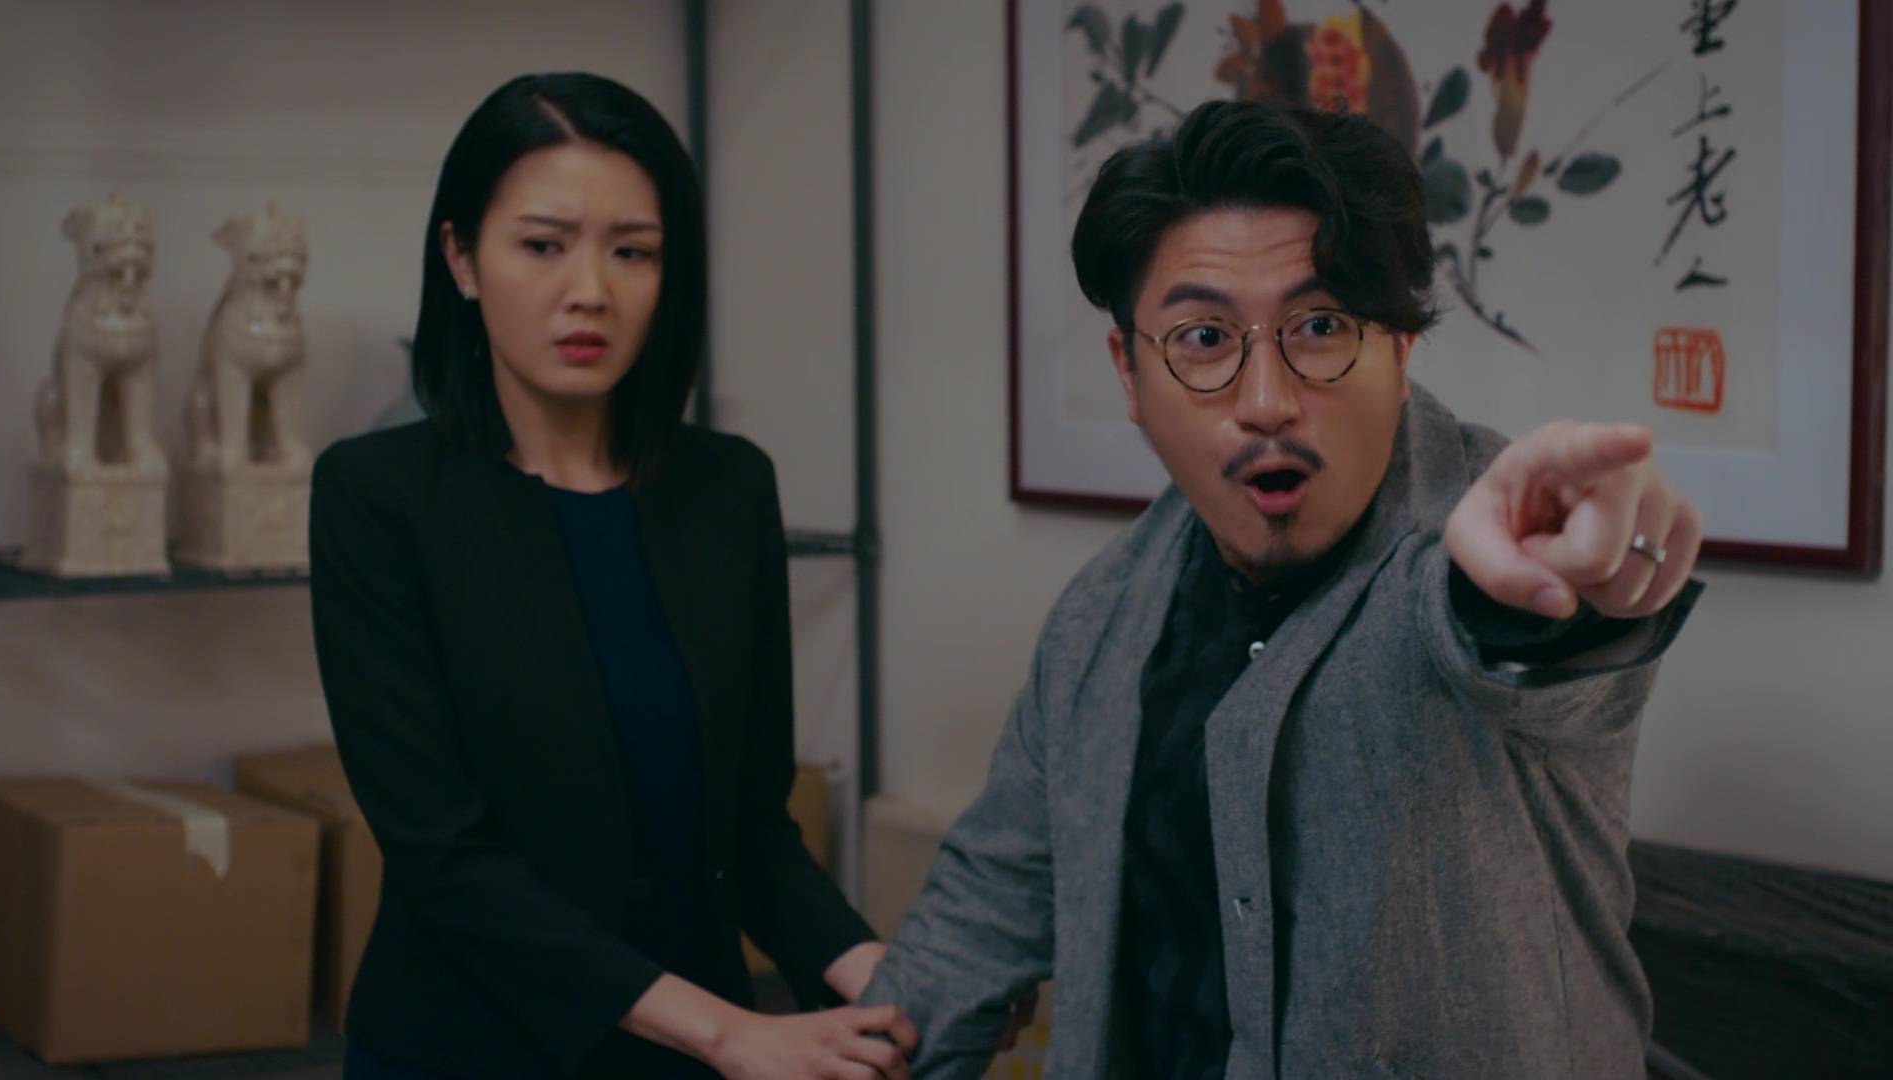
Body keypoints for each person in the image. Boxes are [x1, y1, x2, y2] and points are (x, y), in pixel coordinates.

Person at [860, 100, 1705, 1079]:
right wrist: (863, 1048)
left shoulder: (1478, 545)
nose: (1268, 402)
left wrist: (1570, 585)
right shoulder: (1101, 619)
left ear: (1400, 347)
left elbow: (1509, 636)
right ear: (1129, 374)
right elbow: (983, 905)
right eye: (1204, 338)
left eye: (1321, 325)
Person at [309, 73, 915, 1079]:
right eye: (544, 245)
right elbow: (445, 858)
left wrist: (883, 974)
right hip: (465, 1053)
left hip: (692, 1055)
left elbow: (749, 827)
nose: (590, 289)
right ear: (461, 258)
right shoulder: (378, 496)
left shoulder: (727, 489)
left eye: (632, 251)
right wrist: (731, 1031)